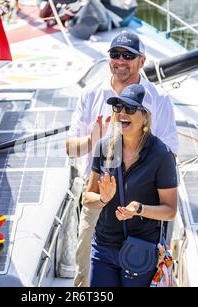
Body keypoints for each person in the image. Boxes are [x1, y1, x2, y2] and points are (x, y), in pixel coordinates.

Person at [66, 30, 178, 287]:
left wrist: (133, 142)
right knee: (87, 273)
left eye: (128, 55)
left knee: (142, 272)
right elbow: (71, 150)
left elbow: (169, 153)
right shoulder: (91, 94)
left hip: (142, 211)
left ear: (142, 61)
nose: (120, 60)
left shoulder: (158, 100)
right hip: (98, 202)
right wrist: (96, 142)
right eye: (115, 54)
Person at [84, 83, 178, 287]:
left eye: (130, 108)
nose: (122, 113)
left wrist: (139, 209)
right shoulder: (104, 146)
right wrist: (103, 198)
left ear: (145, 116)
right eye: (118, 107)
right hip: (103, 248)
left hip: (141, 249)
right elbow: (87, 197)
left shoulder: (161, 156)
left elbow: (170, 210)